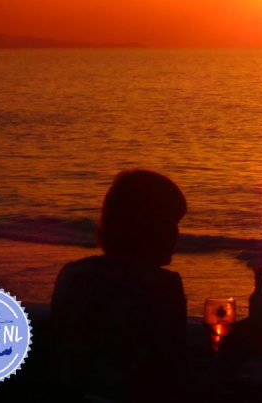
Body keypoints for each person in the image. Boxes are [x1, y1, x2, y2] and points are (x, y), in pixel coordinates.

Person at [50, 169, 189, 401]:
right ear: (149, 228)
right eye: (170, 223)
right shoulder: (163, 286)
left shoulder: (73, 274)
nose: (176, 234)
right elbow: (171, 372)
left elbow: (60, 359)